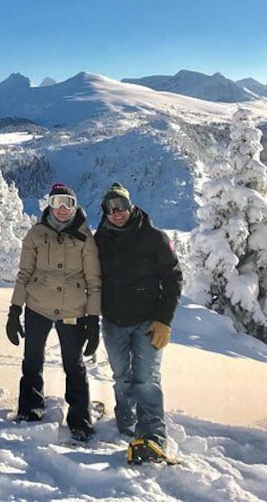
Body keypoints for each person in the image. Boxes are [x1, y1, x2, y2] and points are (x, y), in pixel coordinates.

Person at [93, 182, 182, 461]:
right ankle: (126, 420)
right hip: (113, 322)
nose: (117, 213)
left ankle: (153, 435)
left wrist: (163, 320)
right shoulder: (100, 241)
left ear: (131, 207)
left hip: (147, 323)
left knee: (146, 380)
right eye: (111, 208)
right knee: (122, 377)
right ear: (105, 212)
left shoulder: (154, 238)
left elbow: (173, 279)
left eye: (121, 206)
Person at [7, 183, 102, 442]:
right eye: (57, 202)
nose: (62, 209)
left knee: (74, 364)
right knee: (32, 360)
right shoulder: (36, 234)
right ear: (49, 204)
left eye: (68, 203)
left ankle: (80, 418)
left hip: (73, 309)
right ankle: (29, 409)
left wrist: (93, 320)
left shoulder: (85, 237)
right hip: (38, 306)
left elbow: (94, 281)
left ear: (75, 206)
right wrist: (14, 309)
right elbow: (24, 273)